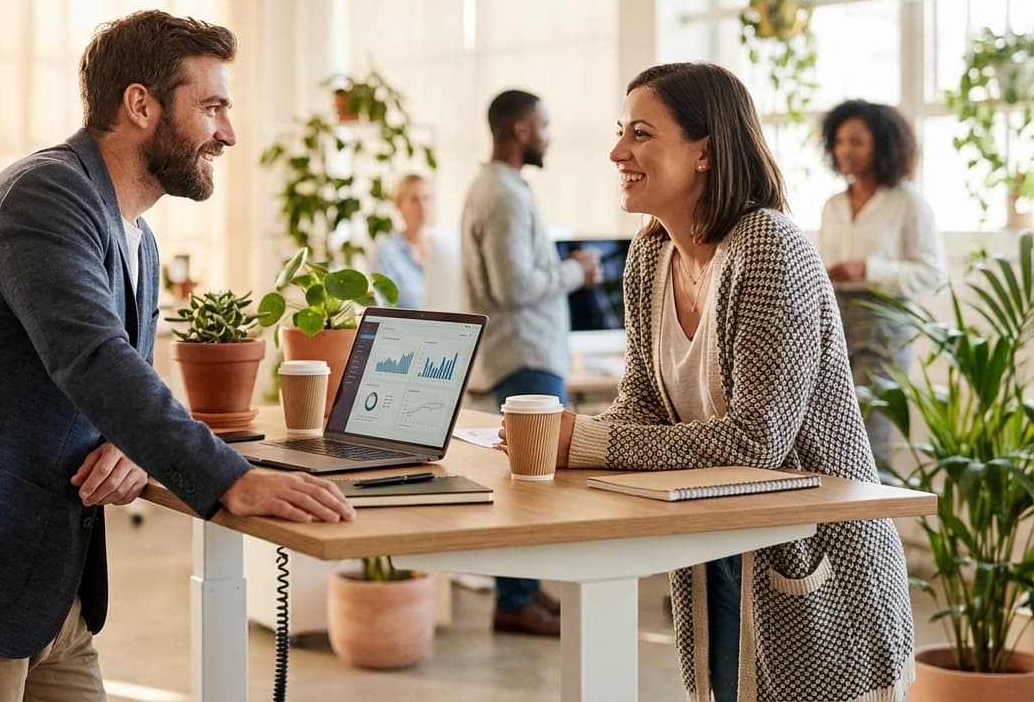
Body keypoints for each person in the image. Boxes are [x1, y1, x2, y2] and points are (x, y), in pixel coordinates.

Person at [0, 11, 355, 701]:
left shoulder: (136, 238)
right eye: (211, 107)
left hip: (46, 590)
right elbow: (91, 358)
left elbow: (110, 385)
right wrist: (226, 476)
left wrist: (129, 439)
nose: (227, 132)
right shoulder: (44, 196)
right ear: (140, 104)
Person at [500, 62, 915, 701]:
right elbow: (640, 404)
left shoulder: (771, 249)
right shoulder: (648, 257)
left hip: (819, 566)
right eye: (621, 132)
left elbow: (756, 442)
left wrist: (578, 442)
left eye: (641, 133)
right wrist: (555, 437)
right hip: (711, 550)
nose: (618, 152)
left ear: (705, 152)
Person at [461, 89, 600, 636]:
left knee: (529, 482)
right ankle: (515, 601)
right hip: (524, 353)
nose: (548, 135)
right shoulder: (504, 196)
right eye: (543, 125)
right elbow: (513, 285)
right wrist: (576, 273)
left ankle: (524, 591)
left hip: (521, 352)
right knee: (530, 485)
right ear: (519, 129)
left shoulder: (495, 188)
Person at [818, 99, 943, 471]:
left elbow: (931, 273)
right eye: (840, 142)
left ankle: (875, 525)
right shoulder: (833, 205)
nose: (845, 151)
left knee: (872, 431)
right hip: (835, 319)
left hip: (884, 326)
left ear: (882, 145)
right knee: (831, 432)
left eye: (856, 141)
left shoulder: (908, 203)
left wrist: (868, 269)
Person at [368, 173, 432, 309]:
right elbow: (382, 308)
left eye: (426, 198)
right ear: (398, 205)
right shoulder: (384, 252)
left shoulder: (443, 249)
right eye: (414, 200)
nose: (422, 206)